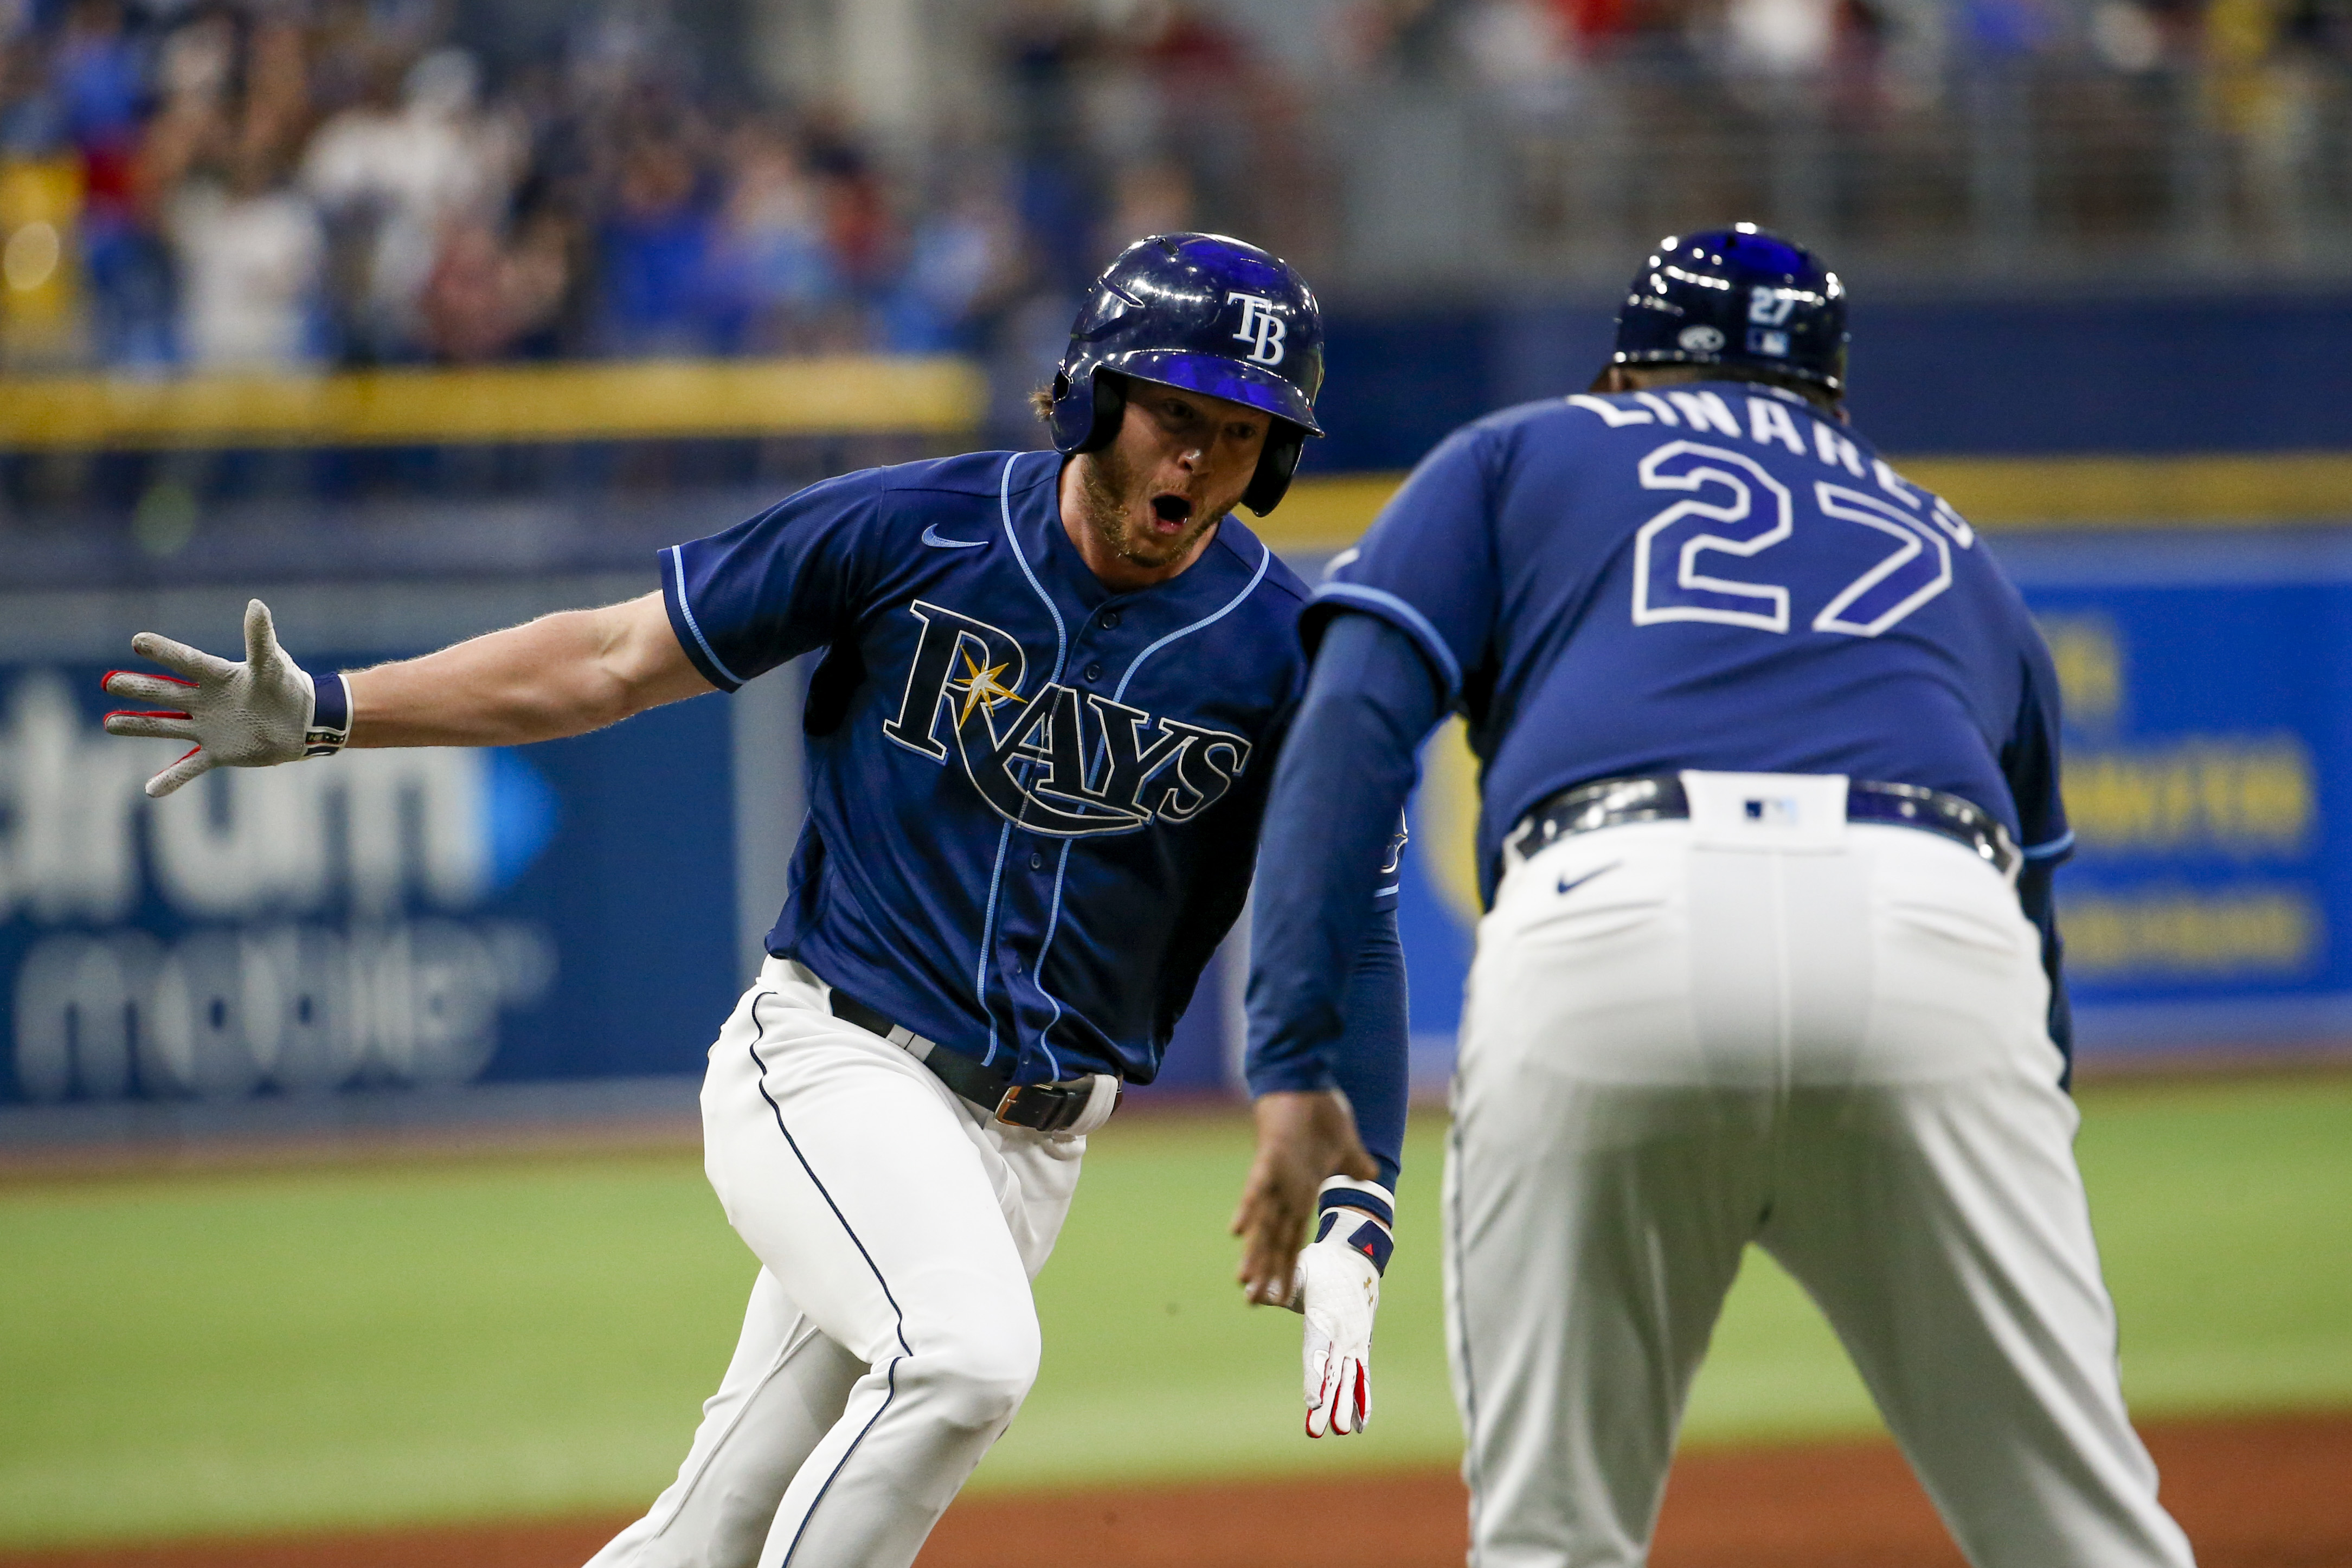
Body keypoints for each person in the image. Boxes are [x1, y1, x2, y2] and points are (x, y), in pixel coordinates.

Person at [98, 233, 1408, 1568]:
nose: (1196, 460)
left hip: (1036, 1147)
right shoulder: (916, 529)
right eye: (1173, 415)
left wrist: (1369, 1197)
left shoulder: (1279, 655)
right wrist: (333, 709)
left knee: (710, 1532)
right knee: (964, 1362)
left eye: (1241, 436)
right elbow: (611, 659)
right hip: (835, 1065)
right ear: (1090, 397)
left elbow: (1348, 925)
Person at [1241, 226, 2199, 1568]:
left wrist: (1290, 1057)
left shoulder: (1527, 450)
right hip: (1936, 933)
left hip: (1614, 917)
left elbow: (1348, 724)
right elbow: (2035, 957)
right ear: (1832, 396)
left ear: (1624, 375)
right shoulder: (1952, 545)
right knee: (2080, 1535)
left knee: (1553, 1541)